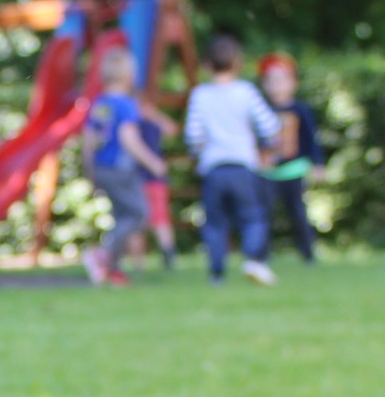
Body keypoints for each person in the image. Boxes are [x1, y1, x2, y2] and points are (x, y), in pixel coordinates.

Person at [184, 33, 282, 285]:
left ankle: (217, 273)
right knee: (252, 217)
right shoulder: (245, 92)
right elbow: (270, 127)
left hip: (213, 169)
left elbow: (193, 136)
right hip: (242, 167)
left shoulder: (200, 95)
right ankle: (253, 259)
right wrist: (269, 149)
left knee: (215, 223)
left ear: (207, 64)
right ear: (238, 62)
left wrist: (196, 155)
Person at [81, 47, 167, 286]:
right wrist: (153, 162)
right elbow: (129, 139)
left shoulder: (99, 105)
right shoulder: (127, 105)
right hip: (121, 170)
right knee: (139, 214)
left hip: (101, 169)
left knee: (121, 216)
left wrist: (89, 171)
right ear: (129, 76)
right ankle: (103, 255)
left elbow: (88, 140)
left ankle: (113, 270)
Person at [257, 52, 326, 266]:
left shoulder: (300, 110)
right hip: (268, 171)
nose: (276, 85)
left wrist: (318, 164)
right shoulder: (261, 110)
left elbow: (311, 139)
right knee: (264, 215)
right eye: (271, 81)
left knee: (298, 213)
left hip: (294, 170)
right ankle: (261, 256)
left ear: (292, 83)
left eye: (281, 80)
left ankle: (308, 254)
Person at [133, 104, 179, 270]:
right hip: (144, 177)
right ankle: (142, 262)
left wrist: (154, 115)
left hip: (146, 178)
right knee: (149, 220)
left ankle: (144, 262)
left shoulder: (137, 124)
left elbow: (172, 130)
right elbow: (171, 129)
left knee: (146, 220)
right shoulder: (134, 123)